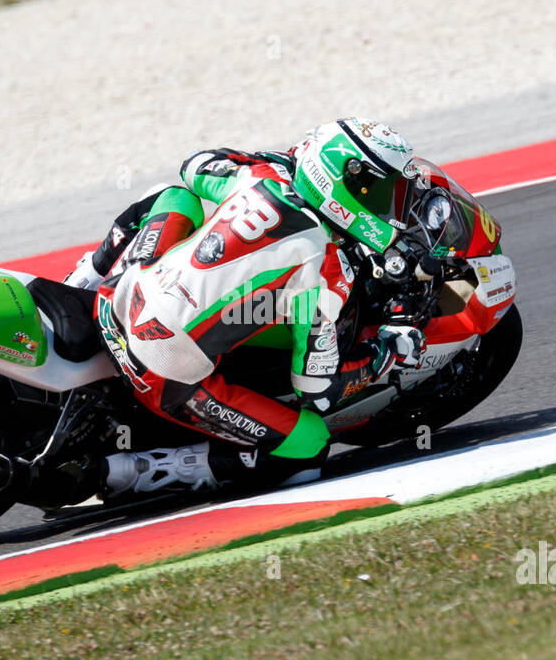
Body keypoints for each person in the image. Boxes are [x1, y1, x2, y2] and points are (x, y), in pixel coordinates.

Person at [69, 118, 428, 497]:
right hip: (158, 372)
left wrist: (266, 161)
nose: (389, 207)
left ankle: (78, 284)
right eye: (382, 191)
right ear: (345, 181)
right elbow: (317, 389)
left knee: (172, 196)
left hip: (116, 298)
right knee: (310, 444)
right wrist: (388, 352)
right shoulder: (325, 270)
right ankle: (136, 471)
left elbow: (194, 166)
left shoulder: (262, 175)